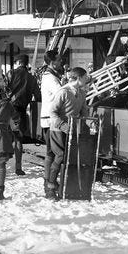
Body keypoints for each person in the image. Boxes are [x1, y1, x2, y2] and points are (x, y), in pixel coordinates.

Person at [46, 67, 90, 200]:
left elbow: (84, 112)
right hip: (58, 130)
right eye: (85, 77)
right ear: (79, 78)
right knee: (60, 156)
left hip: (72, 130)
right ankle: (50, 188)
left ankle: (65, 188)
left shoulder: (82, 93)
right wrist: (62, 125)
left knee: (69, 159)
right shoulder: (63, 92)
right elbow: (52, 112)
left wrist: (89, 122)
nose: (87, 79)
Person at [7, 54, 41, 175]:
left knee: (5, 138)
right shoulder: (32, 78)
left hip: (7, 109)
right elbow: (38, 96)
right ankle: (18, 167)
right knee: (18, 139)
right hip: (20, 111)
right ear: (26, 64)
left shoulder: (11, 73)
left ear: (18, 62)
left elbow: (2, 89)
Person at [40, 49, 66, 187]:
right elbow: (61, 93)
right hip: (51, 120)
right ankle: (49, 180)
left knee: (51, 152)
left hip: (49, 119)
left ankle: (48, 179)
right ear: (52, 62)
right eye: (59, 60)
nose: (61, 61)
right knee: (53, 152)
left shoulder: (51, 75)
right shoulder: (51, 78)